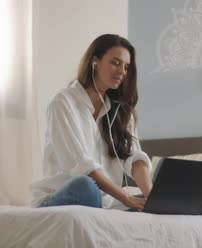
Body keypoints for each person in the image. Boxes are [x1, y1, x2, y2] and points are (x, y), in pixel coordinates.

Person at [30, 34, 153, 211]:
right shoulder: (63, 103)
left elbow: (135, 159)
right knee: (85, 185)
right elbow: (81, 166)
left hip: (106, 201)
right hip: (63, 195)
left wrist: (151, 198)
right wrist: (126, 198)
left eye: (126, 67)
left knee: (162, 200)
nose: (122, 72)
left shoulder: (122, 112)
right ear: (95, 62)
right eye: (115, 63)